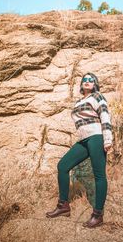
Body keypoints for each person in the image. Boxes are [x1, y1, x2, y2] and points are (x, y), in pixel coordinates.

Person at [45, 72, 113, 228]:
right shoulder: (79, 102)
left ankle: (98, 215)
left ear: (95, 84)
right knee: (62, 166)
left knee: (99, 175)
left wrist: (107, 138)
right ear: (81, 84)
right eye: (85, 80)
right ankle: (63, 206)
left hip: (96, 137)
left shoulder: (98, 97)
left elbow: (105, 117)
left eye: (91, 80)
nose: (87, 81)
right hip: (83, 140)